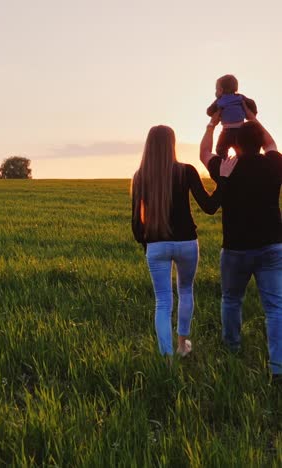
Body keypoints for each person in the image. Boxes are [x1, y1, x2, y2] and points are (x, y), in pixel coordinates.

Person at [132, 125, 236, 359]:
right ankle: (182, 346)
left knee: (162, 302)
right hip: (187, 243)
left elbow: (136, 226)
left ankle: (167, 358)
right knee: (186, 291)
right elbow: (210, 207)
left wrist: (148, 245)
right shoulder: (187, 171)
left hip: (156, 245)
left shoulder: (140, 177)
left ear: (149, 146)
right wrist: (224, 180)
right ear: (172, 144)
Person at [200, 107, 282, 381]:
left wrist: (212, 125)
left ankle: (232, 351)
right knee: (275, 307)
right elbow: (271, 143)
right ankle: (278, 367)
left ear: (235, 144)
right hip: (272, 245)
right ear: (259, 142)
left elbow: (204, 154)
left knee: (232, 300)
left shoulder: (227, 167)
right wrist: (253, 118)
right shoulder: (274, 163)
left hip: (236, 247)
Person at [206, 74, 257, 159]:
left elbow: (209, 111)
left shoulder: (219, 100)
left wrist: (216, 112)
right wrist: (253, 114)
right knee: (241, 150)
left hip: (227, 131)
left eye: (216, 90)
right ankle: (241, 161)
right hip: (241, 130)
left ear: (221, 90)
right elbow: (252, 103)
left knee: (220, 149)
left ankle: (225, 161)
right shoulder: (240, 97)